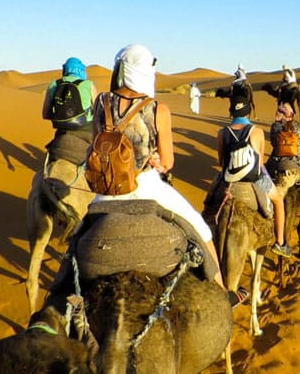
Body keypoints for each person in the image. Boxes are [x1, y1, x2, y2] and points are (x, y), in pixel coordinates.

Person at [91, 44, 247, 307]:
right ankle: (223, 292)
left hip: (106, 189)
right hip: (146, 185)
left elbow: (97, 144)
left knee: (77, 241)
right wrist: (152, 160)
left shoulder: (101, 103)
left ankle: (56, 300)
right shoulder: (157, 109)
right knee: (200, 229)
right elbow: (168, 162)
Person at [215, 95, 291, 258]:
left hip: (228, 178)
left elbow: (221, 161)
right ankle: (280, 243)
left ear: (231, 112)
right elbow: (260, 162)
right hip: (254, 177)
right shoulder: (256, 132)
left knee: (210, 203)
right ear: (248, 112)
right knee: (278, 201)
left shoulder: (222, 133)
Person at [41, 57, 98, 143]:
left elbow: (45, 114)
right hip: (86, 128)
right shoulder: (88, 84)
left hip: (61, 129)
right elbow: (98, 111)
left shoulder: (54, 84)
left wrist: (62, 116)